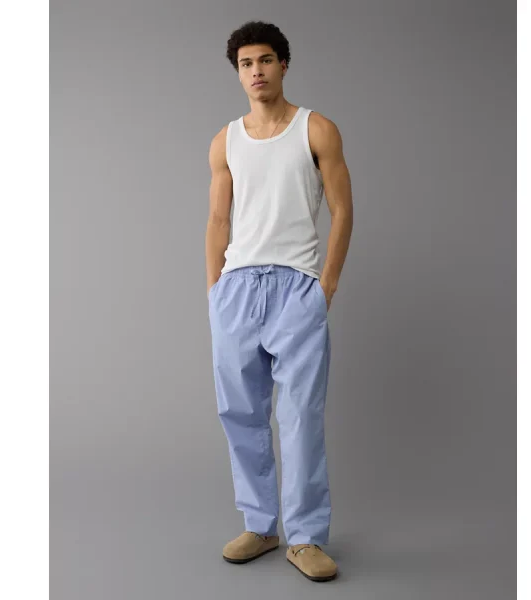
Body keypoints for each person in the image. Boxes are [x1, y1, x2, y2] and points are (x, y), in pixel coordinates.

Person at [205, 20, 353, 583]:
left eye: (265, 60)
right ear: (238, 72)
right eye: (246, 63)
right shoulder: (225, 140)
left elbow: (343, 209)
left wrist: (326, 286)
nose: (256, 71)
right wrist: (215, 291)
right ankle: (261, 525)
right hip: (238, 288)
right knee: (240, 412)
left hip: (296, 287)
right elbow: (218, 219)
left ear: (283, 64)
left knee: (300, 416)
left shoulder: (317, 129)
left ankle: (306, 536)